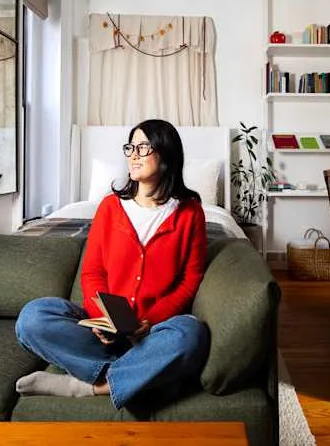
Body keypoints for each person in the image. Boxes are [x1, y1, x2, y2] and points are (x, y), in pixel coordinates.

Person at [15, 119, 210, 409]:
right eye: (131, 146)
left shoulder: (189, 212)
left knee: (191, 335)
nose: (133, 154)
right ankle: (143, 373)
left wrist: (151, 319)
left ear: (166, 153)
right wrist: (102, 318)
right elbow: (92, 272)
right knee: (33, 317)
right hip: (105, 329)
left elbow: (190, 280)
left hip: (154, 331)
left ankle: (92, 385)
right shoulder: (109, 207)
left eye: (143, 147)